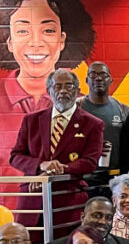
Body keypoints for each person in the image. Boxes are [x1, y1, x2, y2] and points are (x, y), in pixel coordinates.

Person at [0, 0, 94, 206]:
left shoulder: (81, 104)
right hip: (8, 219)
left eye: (48, 30)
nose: (35, 42)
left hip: (64, 214)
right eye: (23, 30)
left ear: (62, 40)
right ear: (9, 42)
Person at [9, 68, 103, 230]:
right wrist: (41, 166)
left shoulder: (93, 124)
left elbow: (90, 162)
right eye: (57, 86)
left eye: (69, 86)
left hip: (68, 201)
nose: (63, 91)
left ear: (78, 90)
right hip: (32, 200)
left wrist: (55, 170)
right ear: (49, 91)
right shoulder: (31, 121)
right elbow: (15, 157)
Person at [80, 62, 129, 171]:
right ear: (86, 80)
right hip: (84, 176)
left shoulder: (122, 109)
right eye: (93, 74)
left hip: (115, 176)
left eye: (103, 74)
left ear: (110, 80)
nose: (98, 78)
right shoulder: (76, 108)